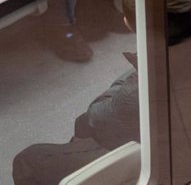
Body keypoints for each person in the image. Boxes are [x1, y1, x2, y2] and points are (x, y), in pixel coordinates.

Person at [13, 55, 139, 185]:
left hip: (144, 155)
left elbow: (98, 119)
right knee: (82, 125)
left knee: (28, 159)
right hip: (146, 142)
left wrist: (137, 70)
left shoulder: (146, 79)